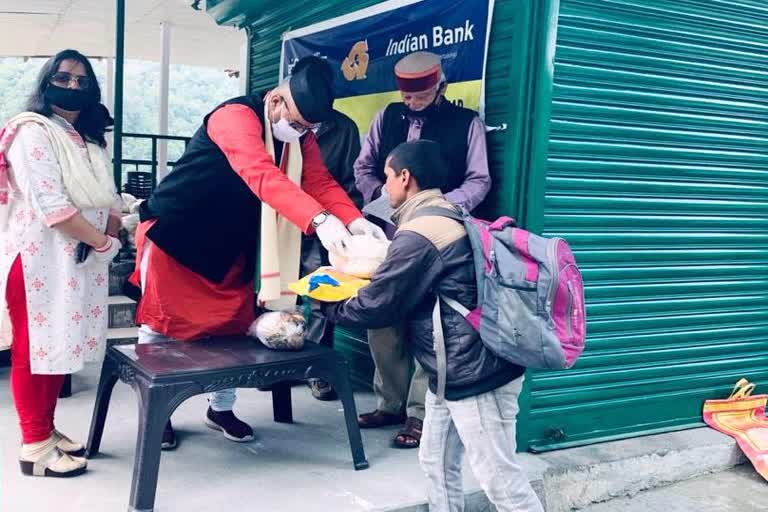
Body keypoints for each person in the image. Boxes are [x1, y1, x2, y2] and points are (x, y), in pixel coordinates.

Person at [130, 58, 383, 450]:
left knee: (231, 330)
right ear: (277, 99)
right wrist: (318, 221)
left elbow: (318, 180)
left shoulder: (301, 137)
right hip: (178, 234)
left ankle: (221, 408)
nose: (301, 132)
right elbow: (261, 174)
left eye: (309, 129)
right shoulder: (235, 116)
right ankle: (157, 412)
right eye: (298, 123)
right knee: (161, 327)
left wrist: (353, 221)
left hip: (233, 243)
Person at [325, 140, 542, 512]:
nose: (384, 186)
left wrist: (325, 300)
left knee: (500, 480)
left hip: (476, 375)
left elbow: (378, 304)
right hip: (451, 372)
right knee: (437, 463)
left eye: (388, 177)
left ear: (405, 177)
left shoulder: (421, 231)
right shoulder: (449, 213)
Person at [352, 51, 491, 448]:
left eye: (419, 96)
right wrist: (382, 198)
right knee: (382, 316)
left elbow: (479, 181)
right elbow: (364, 168)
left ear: (440, 88)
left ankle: (419, 413)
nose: (409, 102)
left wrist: (438, 209)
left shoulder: (466, 124)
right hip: (389, 232)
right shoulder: (386, 117)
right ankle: (389, 402)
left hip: (437, 236)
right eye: (405, 96)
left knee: (429, 324)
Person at [0, 49, 122, 478]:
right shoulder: (32, 133)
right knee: (35, 353)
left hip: (71, 263)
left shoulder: (83, 137)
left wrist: (116, 223)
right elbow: (52, 206)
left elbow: (105, 196)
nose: (73, 86)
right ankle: (34, 445)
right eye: (64, 77)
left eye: (82, 81)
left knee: (57, 347)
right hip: (38, 263)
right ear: (45, 81)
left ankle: (47, 431)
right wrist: (105, 243)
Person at [290, 56, 363, 401]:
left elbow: (346, 181)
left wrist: (346, 222)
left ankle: (315, 370)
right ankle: (277, 365)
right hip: (282, 223)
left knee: (321, 297)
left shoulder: (343, 128)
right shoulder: (279, 123)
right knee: (280, 295)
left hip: (326, 227)